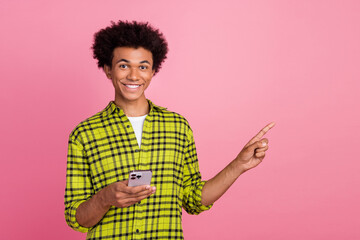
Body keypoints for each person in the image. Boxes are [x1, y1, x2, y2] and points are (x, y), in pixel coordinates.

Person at [64, 20, 275, 240]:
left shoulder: (178, 128)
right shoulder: (84, 134)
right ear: (108, 69)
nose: (134, 76)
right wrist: (104, 198)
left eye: (143, 66)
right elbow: (75, 218)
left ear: (153, 71)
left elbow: (193, 199)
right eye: (124, 65)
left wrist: (238, 165)